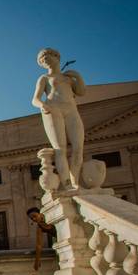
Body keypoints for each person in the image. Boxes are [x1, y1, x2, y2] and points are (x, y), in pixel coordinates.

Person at [32, 48, 86, 190]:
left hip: (71, 111)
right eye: (42, 61)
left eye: (47, 58)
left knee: (78, 147)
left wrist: (77, 77)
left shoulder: (68, 78)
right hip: (53, 110)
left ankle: (75, 181)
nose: (45, 62)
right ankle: (67, 183)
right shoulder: (44, 78)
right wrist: (42, 105)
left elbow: (81, 92)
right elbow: (35, 99)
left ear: (57, 57)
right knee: (60, 149)